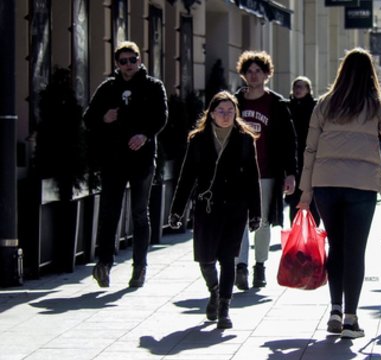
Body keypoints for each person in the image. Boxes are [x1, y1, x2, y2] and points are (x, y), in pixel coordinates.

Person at [297, 48, 381, 339]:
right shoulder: (376, 106)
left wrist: (306, 193)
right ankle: (350, 319)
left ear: (342, 72)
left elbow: (309, 150)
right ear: (370, 74)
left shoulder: (324, 104)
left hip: (326, 184)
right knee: (355, 250)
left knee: (336, 247)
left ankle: (334, 310)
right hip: (362, 186)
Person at [168, 91, 261, 329]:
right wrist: (177, 210)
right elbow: (187, 176)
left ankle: (224, 307)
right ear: (211, 114)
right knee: (206, 258)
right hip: (207, 207)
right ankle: (214, 290)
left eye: (231, 111)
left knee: (228, 258)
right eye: (221, 111)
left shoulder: (244, 139)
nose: (226, 115)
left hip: (235, 206)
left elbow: (253, 177)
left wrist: (256, 212)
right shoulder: (198, 140)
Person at [83, 41, 167, 288]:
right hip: (113, 160)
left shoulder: (153, 86)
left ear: (140, 60)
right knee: (109, 213)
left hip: (142, 160)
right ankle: (104, 264)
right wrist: (103, 117)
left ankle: (139, 267)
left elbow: (161, 117)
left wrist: (145, 135)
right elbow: (88, 119)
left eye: (133, 60)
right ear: (117, 64)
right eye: (123, 61)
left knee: (140, 214)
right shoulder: (108, 88)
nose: (129, 65)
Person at [234, 50, 298, 290]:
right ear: (243, 74)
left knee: (261, 222)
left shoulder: (277, 104)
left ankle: (259, 266)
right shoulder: (235, 101)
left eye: (257, 71)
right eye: (249, 71)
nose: (253, 76)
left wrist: (291, 173)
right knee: (239, 220)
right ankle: (240, 265)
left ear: (266, 74)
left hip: (268, 172)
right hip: (239, 172)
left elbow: (289, 141)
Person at [285, 76, 321, 225]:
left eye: (302, 87)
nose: (298, 90)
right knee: (295, 197)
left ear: (308, 89)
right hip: (293, 157)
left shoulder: (315, 107)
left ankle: (313, 229)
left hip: (312, 155)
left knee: (313, 196)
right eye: (295, 87)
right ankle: (296, 229)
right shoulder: (287, 107)